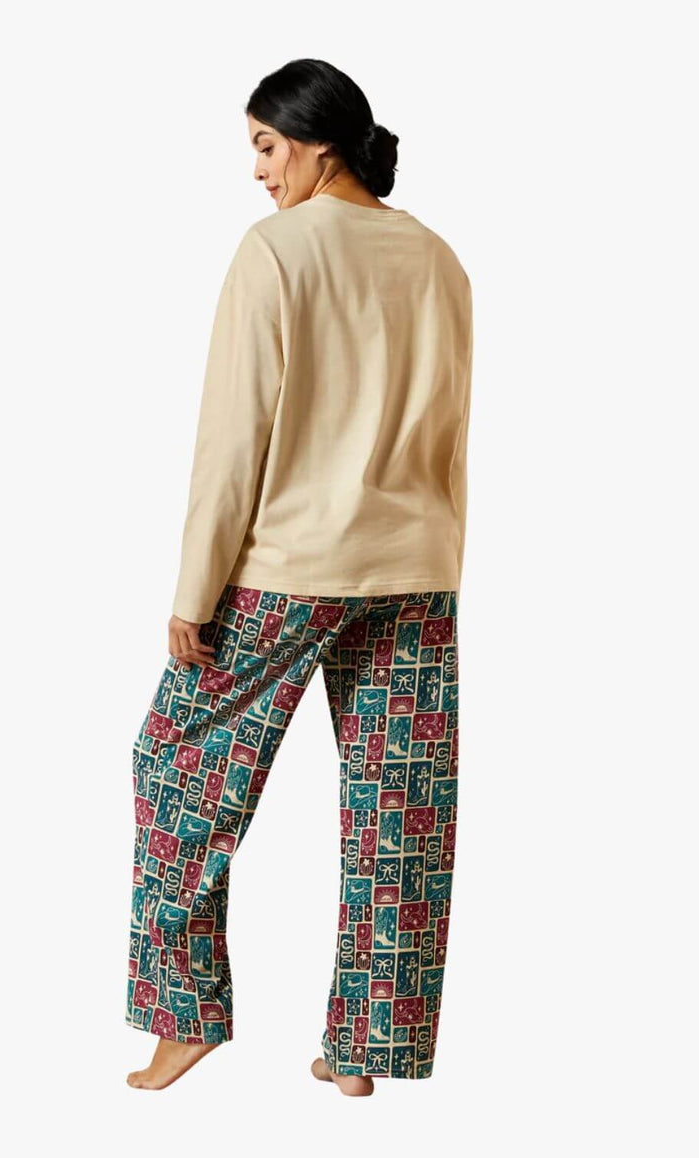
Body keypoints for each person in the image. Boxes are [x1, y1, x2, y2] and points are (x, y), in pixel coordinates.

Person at [125, 58, 473, 1098]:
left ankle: (185, 1015)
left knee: (174, 767)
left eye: (266, 146)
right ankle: (366, 1049)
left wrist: (194, 592)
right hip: (415, 570)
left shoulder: (276, 250)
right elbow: (449, 433)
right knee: (400, 812)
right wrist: (439, 558)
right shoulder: (438, 258)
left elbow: (233, 438)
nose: (258, 171)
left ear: (320, 144)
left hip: (291, 568)